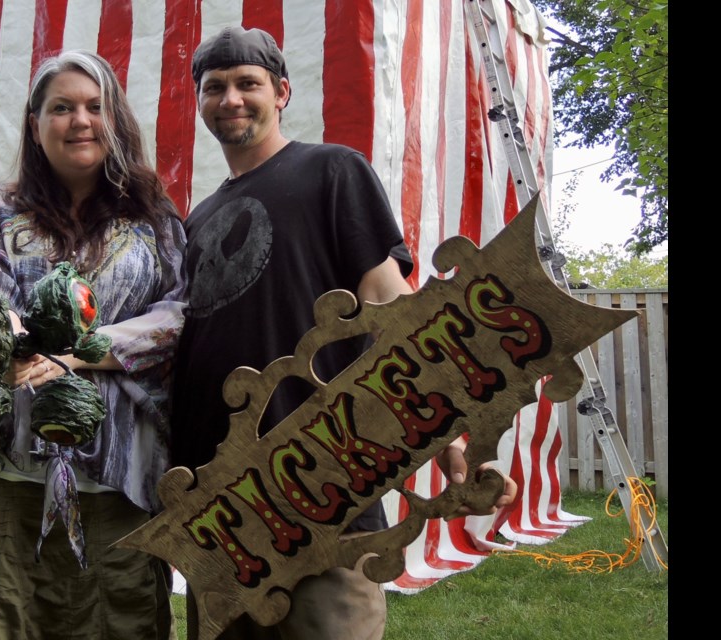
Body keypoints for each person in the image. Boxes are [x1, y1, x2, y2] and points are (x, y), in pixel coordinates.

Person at [170, 26, 517, 640]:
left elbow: (391, 304)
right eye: (214, 87)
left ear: (281, 92)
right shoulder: (198, 220)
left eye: (247, 84)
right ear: (198, 101)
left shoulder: (331, 170)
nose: (231, 99)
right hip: (220, 509)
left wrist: (450, 435)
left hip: (325, 484)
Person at [0, 50, 188, 640]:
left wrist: (78, 352)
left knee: (118, 620)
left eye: (96, 107)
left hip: (118, 478)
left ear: (116, 120)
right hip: (5, 473)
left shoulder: (157, 224)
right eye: (62, 107)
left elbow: (179, 316)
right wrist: (12, 338)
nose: (80, 121)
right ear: (35, 123)